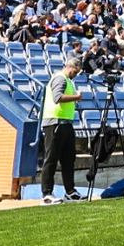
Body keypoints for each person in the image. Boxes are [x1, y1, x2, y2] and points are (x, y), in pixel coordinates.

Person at [38, 57, 86, 204]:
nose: (76, 75)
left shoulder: (69, 80)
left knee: (68, 159)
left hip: (65, 123)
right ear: (71, 67)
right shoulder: (60, 78)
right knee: (51, 159)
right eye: (75, 72)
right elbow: (57, 97)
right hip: (55, 123)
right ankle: (46, 194)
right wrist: (76, 97)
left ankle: (70, 191)